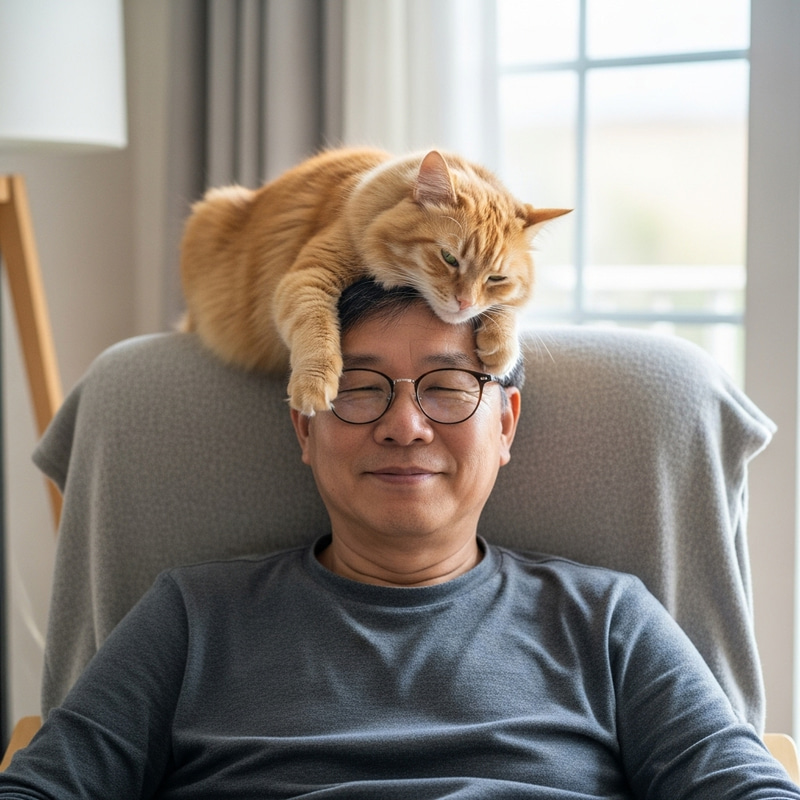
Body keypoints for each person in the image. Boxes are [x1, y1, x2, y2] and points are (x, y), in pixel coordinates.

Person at [0, 278, 797, 799]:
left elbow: (742, 789)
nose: (405, 426)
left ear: (506, 424)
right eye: (356, 387)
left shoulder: (608, 620)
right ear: (303, 429)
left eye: (449, 386)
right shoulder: (191, 617)